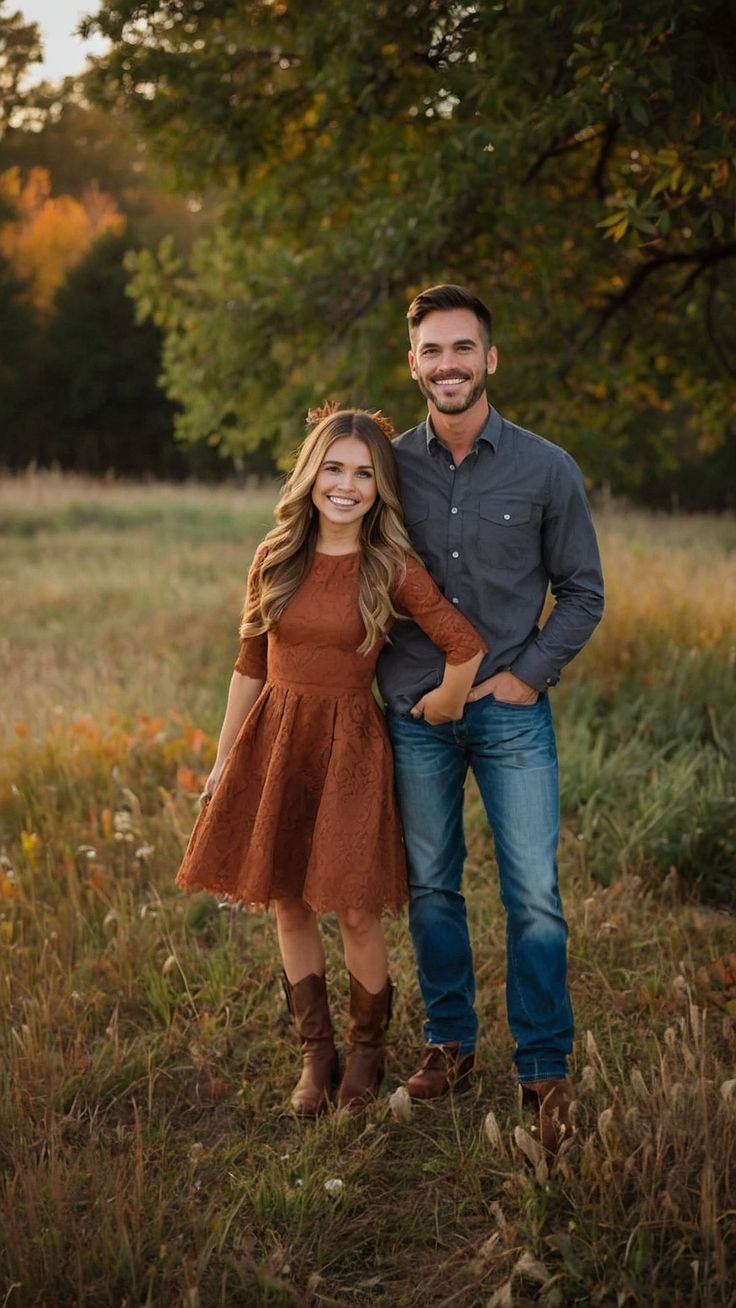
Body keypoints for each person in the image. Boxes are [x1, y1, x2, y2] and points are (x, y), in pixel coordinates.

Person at [175, 405, 485, 1116]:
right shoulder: (275, 554)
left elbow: (463, 644)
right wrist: (225, 759)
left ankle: (368, 1049)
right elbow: (249, 664)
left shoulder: (389, 566)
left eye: (363, 474)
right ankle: (317, 1056)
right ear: (311, 474)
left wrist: (443, 704)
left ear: (380, 487)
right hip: (275, 741)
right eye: (334, 468)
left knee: (352, 910)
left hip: (350, 745)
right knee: (287, 902)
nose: (345, 485)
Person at [376, 285, 604, 1150]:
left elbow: (583, 593)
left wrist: (527, 678)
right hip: (415, 716)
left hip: (511, 710)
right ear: (413, 364)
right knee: (432, 887)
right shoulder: (385, 468)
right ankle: (449, 1044)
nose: (448, 365)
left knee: (534, 896)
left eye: (462, 349)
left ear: (490, 359)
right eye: (432, 351)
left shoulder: (548, 468)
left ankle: (543, 1065)